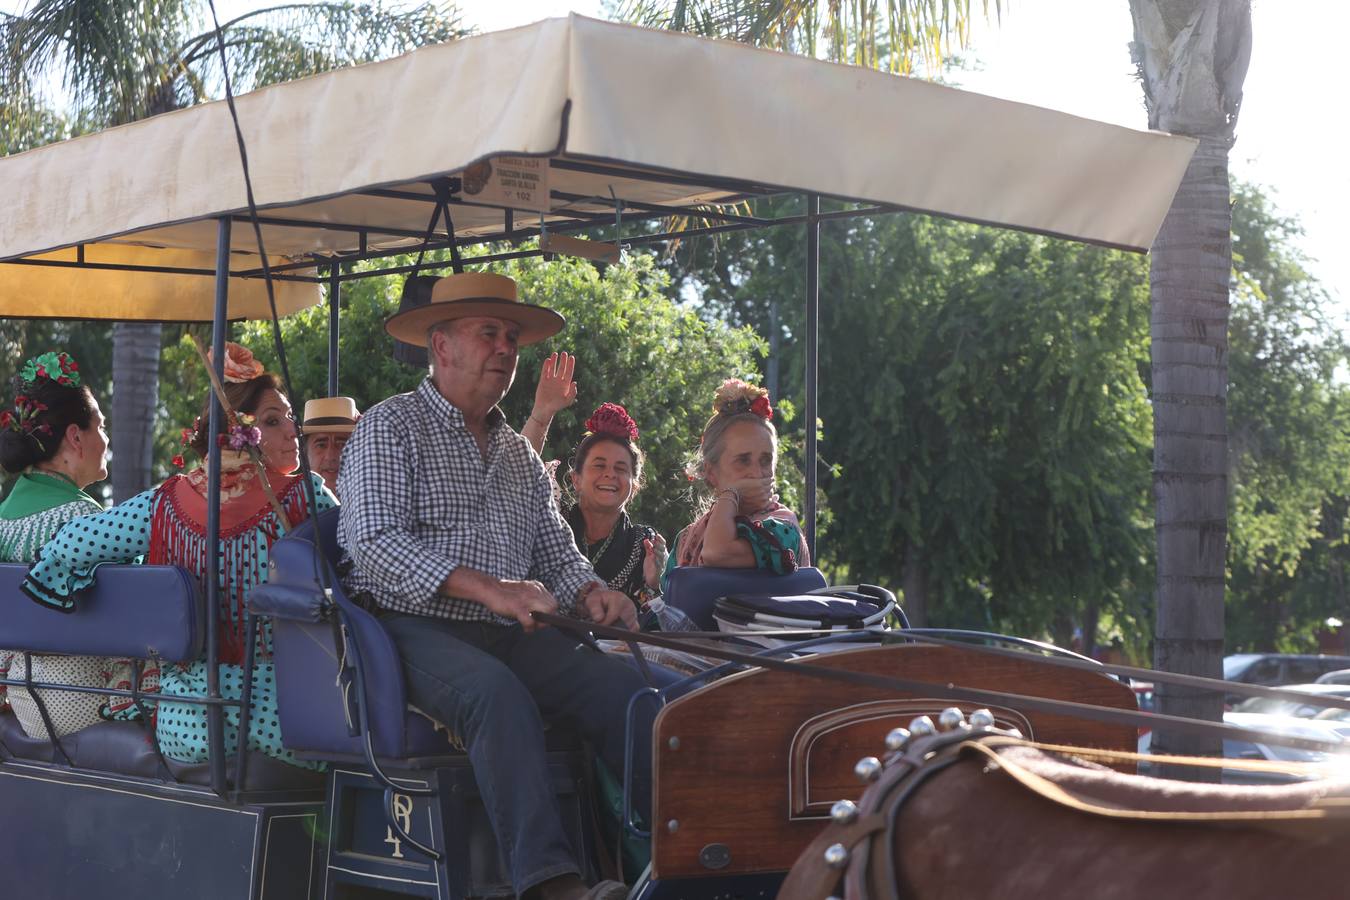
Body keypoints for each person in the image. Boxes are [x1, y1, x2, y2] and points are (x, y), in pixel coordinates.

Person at [338, 271, 645, 900]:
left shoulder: (519, 454)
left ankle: (674, 859)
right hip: (407, 630)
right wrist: (490, 589)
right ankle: (550, 886)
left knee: (625, 692)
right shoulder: (388, 426)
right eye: (489, 334)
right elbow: (371, 544)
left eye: (511, 336)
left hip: (503, 634)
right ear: (441, 345)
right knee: (497, 697)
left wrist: (593, 594)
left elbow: (557, 554)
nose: (506, 348)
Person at [23, 343, 335, 769]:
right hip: (287, 714)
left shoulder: (164, 503)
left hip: (190, 720)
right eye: (273, 421)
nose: (291, 432)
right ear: (238, 431)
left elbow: (69, 545)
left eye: (290, 419)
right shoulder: (308, 494)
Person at [0, 350, 116, 740]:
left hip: (18, 695)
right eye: (100, 426)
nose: (106, 438)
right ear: (74, 437)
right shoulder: (84, 521)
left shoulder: (3, 517)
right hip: (77, 698)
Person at [664, 378, 810, 587]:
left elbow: (717, 553)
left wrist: (730, 494)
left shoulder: (781, 528)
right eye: (743, 460)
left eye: (765, 461)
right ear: (711, 472)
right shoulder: (687, 538)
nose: (756, 472)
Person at [301, 396, 360, 497]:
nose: (330, 456)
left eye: (342, 445)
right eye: (321, 445)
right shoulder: (289, 506)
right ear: (305, 453)